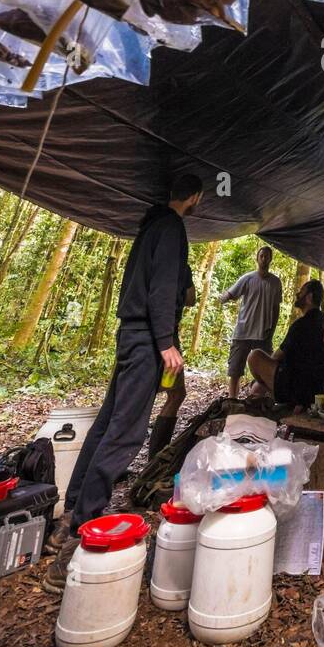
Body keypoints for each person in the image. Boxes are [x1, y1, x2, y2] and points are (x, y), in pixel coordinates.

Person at [44, 173, 203, 591]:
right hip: (147, 342)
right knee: (125, 434)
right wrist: (166, 343)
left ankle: (69, 516)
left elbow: (170, 286)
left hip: (131, 337)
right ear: (196, 198)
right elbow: (163, 290)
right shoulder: (172, 228)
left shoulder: (150, 226)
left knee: (105, 426)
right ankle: (80, 535)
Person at [247, 278, 324, 409]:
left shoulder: (302, 324)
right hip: (315, 390)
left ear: (309, 297)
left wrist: (261, 378)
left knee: (255, 356)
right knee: (259, 386)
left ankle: (279, 403)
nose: (297, 295)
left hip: (298, 392)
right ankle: (265, 400)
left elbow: (276, 357)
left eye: (301, 292)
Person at [218, 245, 283, 400]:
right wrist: (223, 297)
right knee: (235, 370)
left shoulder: (275, 282)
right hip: (243, 332)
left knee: (267, 370)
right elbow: (231, 294)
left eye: (267, 256)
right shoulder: (247, 278)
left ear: (271, 259)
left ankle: (259, 401)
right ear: (257, 258)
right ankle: (232, 400)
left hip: (263, 334)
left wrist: (272, 330)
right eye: (262, 255)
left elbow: (276, 309)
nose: (264, 258)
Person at [145, 267, 197, 461]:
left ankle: (154, 458)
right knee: (175, 394)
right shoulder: (180, 265)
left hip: (144, 334)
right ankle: (155, 458)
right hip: (166, 337)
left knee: (172, 393)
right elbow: (191, 299)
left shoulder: (147, 260)